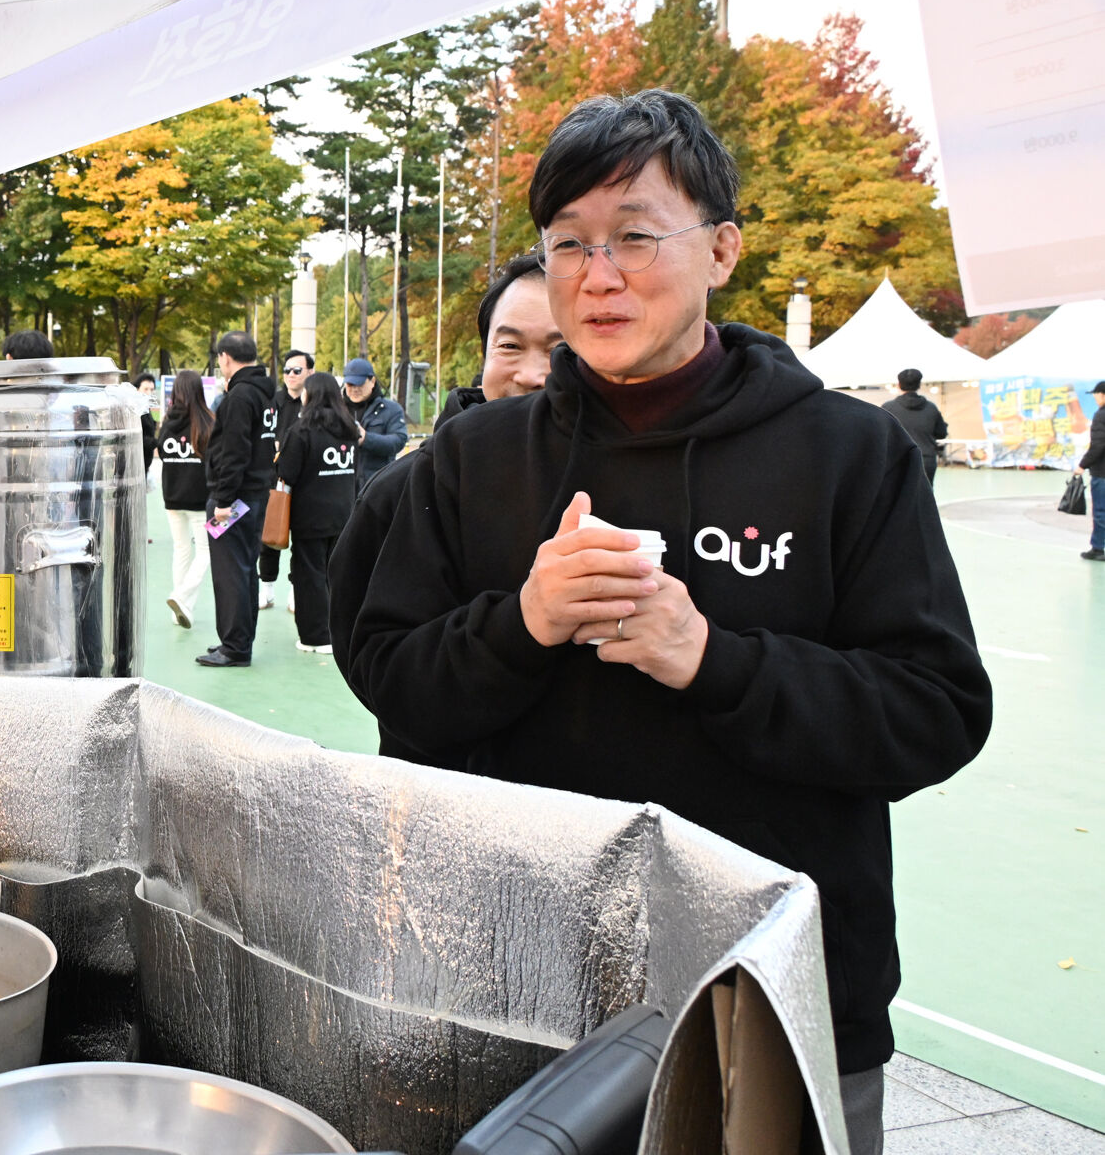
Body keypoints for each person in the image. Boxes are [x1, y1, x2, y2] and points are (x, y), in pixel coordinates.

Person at [342, 89, 992, 1154]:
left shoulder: (848, 455)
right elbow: (390, 677)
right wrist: (524, 623)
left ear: (723, 248)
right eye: (569, 244)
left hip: (774, 993)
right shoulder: (475, 459)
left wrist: (712, 660)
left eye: (636, 236)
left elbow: (936, 709)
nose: (599, 276)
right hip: (519, 978)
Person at [330, 253, 563, 760]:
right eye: (510, 346)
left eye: (561, 349)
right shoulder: (402, 491)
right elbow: (372, 666)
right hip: (440, 796)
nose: (533, 373)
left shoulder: (620, 480)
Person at [196, 332, 274, 668]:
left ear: (226, 358)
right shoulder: (265, 394)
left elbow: (235, 452)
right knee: (243, 570)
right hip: (254, 496)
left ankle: (236, 647)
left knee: (230, 572)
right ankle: (238, 640)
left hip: (234, 500)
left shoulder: (240, 397)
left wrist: (223, 500)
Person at [272, 371, 358, 654]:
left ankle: (316, 636)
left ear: (310, 396)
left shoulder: (301, 431)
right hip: (343, 513)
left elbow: (286, 472)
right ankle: (338, 631)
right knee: (336, 576)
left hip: (310, 516)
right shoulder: (349, 429)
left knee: (309, 576)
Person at [157, 370, 213, 628]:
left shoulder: (167, 424)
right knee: (205, 552)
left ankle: (181, 609)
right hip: (201, 500)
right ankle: (180, 597)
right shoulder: (207, 422)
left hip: (172, 497)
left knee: (181, 550)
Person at [258, 349, 312, 610]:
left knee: (301, 538)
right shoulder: (273, 400)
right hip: (274, 480)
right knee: (270, 535)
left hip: (305, 483)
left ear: (310, 372)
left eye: (297, 370)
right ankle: (266, 588)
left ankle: (295, 590)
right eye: (288, 370)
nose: (291, 375)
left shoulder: (314, 405)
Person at [340, 356, 406, 492]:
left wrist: (366, 439)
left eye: (360, 384)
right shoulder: (337, 410)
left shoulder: (391, 409)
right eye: (350, 384)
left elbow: (399, 440)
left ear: (372, 381)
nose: (355, 389)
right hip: (343, 487)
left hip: (377, 485)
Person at [879, 369, 946, 488]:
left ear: (899, 385)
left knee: (897, 496)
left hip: (897, 460)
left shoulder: (888, 408)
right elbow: (941, 433)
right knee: (925, 496)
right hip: (926, 459)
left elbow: (881, 435)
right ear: (919, 385)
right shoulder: (931, 408)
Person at [1082, 380, 1105, 564]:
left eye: (1096, 394)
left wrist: (1082, 465)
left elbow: (1098, 445)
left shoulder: (1101, 416)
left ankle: (1098, 548)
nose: (1095, 398)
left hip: (1102, 473)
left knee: (1101, 511)